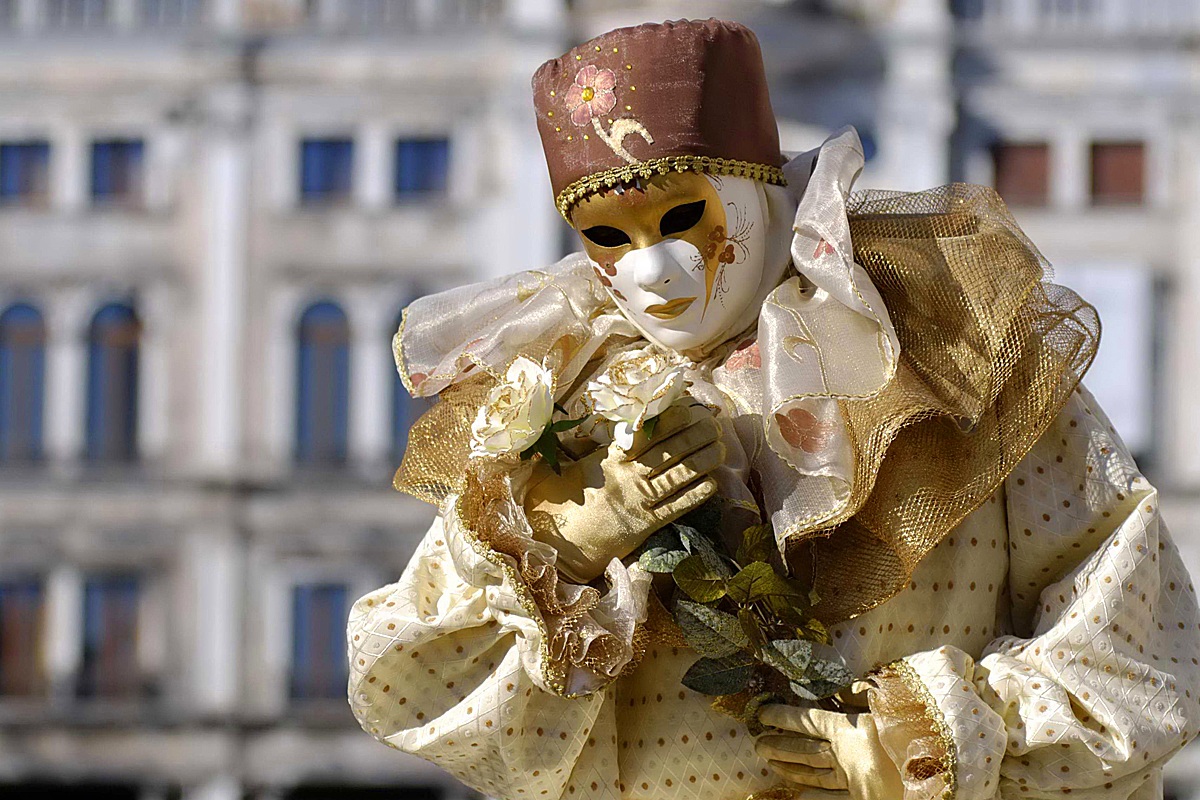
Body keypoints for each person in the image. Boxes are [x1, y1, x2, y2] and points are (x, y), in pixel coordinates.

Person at [347, 18, 1200, 800]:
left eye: (684, 216)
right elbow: (414, 678)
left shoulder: (958, 364)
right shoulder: (558, 413)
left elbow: (1137, 648)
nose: (651, 274)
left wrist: (925, 742)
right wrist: (574, 545)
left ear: (764, 191)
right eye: (608, 235)